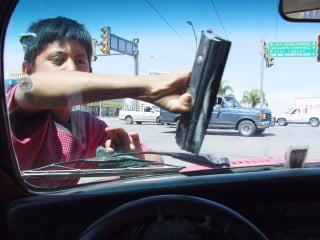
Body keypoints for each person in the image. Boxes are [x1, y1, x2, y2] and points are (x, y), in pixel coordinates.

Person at [6, 16, 191, 186]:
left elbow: (156, 160)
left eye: (80, 61)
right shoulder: (19, 110)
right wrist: (149, 87)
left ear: (90, 74)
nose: (71, 69)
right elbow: (29, 89)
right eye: (57, 60)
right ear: (28, 70)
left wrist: (134, 159)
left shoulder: (88, 126)